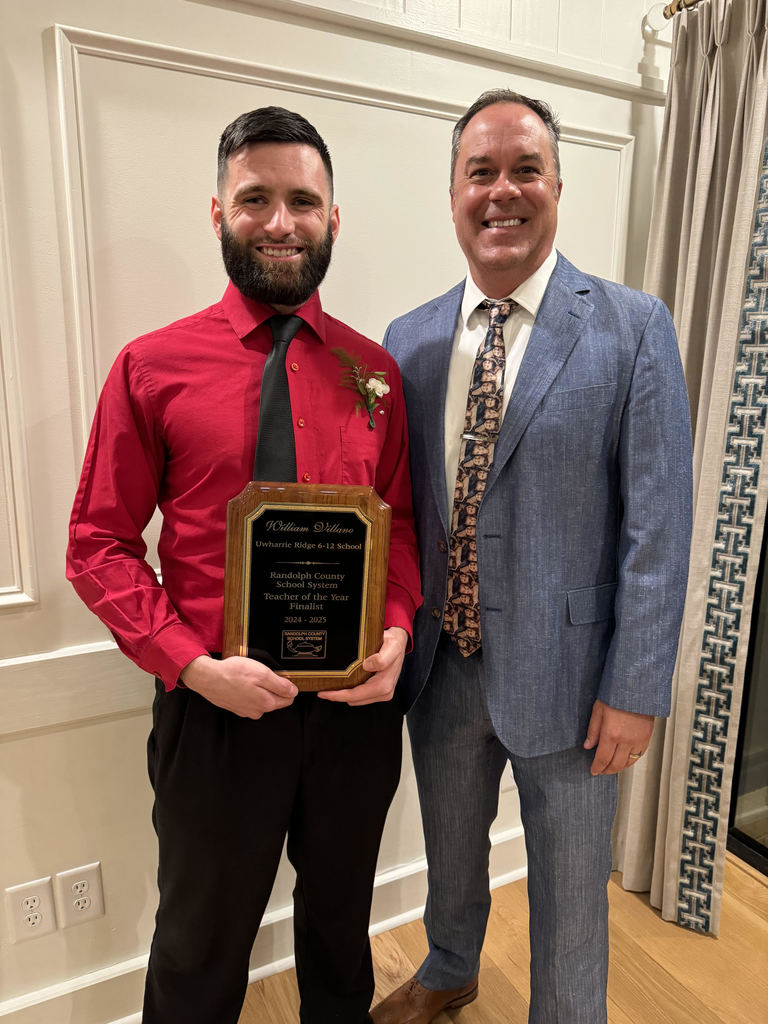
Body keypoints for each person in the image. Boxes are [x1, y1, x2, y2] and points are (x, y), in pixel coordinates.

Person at [66, 106, 421, 1024]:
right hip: (213, 712)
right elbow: (96, 544)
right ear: (218, 212)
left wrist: (396, 630)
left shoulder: (377, 372)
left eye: (302, 200)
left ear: (333, 218)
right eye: (256, 198)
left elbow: (400, 528)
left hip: (352, 714)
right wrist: (190, 665)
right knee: (199, 949)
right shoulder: (151, 368)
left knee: (341, 936)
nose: (280, 221)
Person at [371, 89, 692, 1024]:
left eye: (526, 170)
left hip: (578, 680)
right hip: (443, 667)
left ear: (557, 186)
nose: (502, 191)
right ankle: (450, 967)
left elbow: (659, 526)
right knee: (451, 851)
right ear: (454, 193)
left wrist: (636, 687)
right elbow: (399, 512)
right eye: (481, 172)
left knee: (571, 891)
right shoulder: (409, 340)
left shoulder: (633, 327)